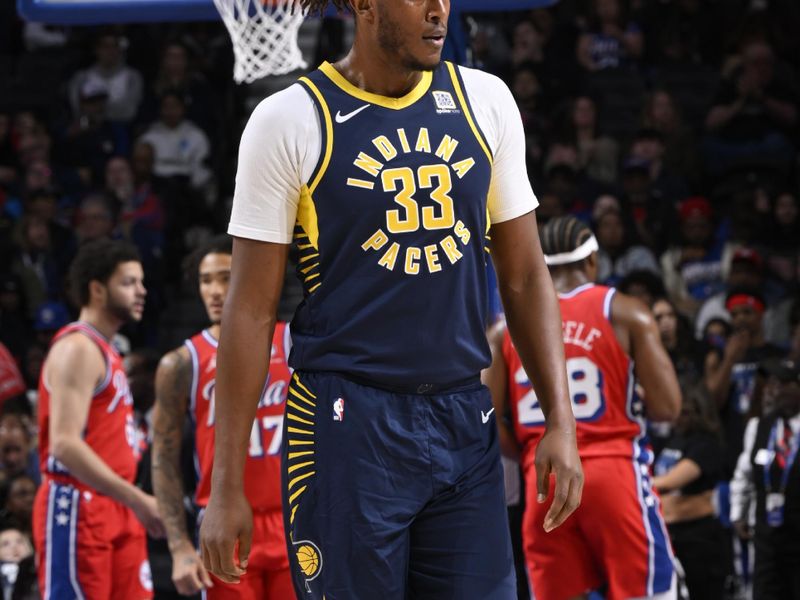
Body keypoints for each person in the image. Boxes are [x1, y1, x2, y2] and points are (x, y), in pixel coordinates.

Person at [200, 1, 583, 598]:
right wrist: (226, 484)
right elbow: (249, 311)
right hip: (346, 424)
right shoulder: (289, 119)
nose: (438, 11)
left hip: (464, 415)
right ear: (364, 5)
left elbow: (527, 276)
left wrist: (560, 419)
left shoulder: (485, 101)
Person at [484, 216, 680, 599]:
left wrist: (526, 452)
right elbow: (668, 407)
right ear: (592, 262)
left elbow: (485, 421)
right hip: (613, 471)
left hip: (543, 478)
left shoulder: (504, 328)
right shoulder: (626, 311)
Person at [152, 235, 293, 598]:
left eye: (226, 277)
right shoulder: (183, 362)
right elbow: (164, 460)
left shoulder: (293, 342)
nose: (215, 291)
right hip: (224, 522)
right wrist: (180, 547)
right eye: (205, 280)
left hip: (294, 517)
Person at [31, 239, 164, 599]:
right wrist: (139, 499)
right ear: (97, 289)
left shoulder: (108, 351)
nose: (141, 291)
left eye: (141, 282)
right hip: (78, 504)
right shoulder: (77, 348)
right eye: (129, 282)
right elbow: (64, 443)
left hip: (115, 503)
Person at [730, 358, 800, 599]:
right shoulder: (758, 427)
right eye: (769, 384)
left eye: (781, 384)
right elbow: (743, 476)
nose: (772, 391)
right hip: (767, 536)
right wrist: (739, 514)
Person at [653, 386, 727, 600]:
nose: (679, 418)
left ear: (699, 413)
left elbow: (670, 482)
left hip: (700, 538)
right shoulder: (673, 441)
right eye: (678, 411)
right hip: (672, 535)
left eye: (685, 412)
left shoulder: (707, 445)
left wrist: (634, 483)